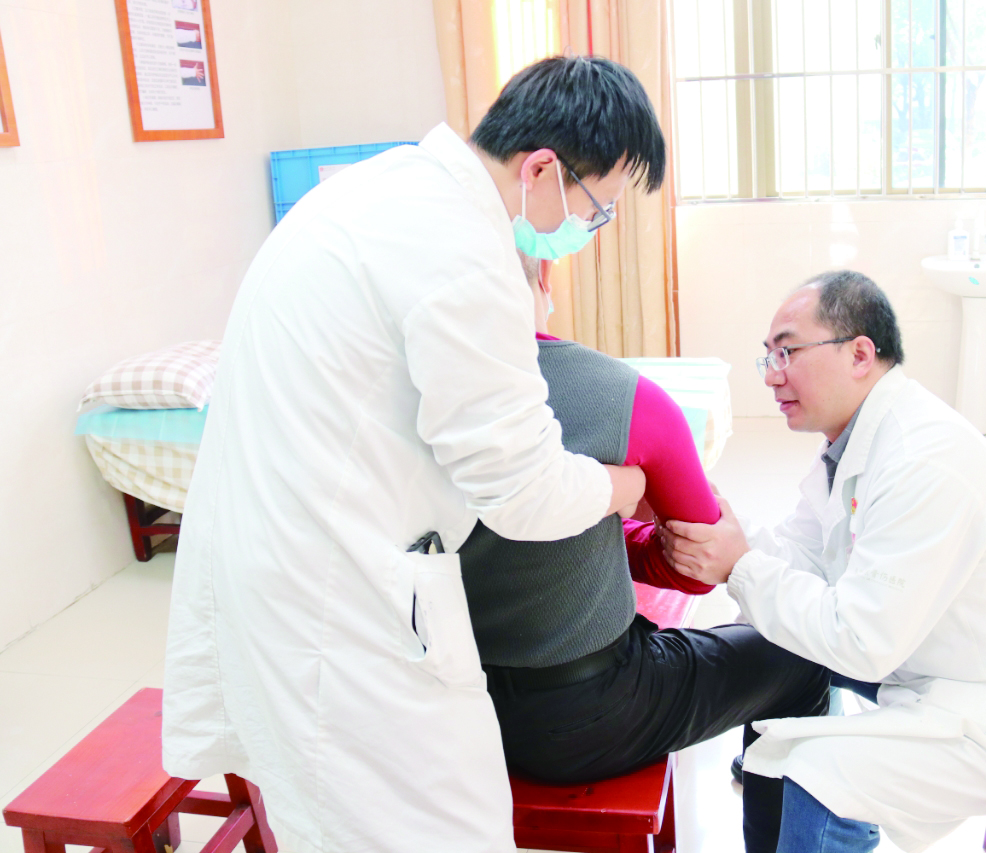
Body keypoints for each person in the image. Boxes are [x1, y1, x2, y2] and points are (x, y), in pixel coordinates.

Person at [162, 57, 666, 853]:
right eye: (595, 208)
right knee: (431, 828)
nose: (587, 229)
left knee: (341, 819)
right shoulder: (462, 251)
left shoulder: (381, 190)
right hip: (339, 605)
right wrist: (622, 486)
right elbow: (523, 490)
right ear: (541, 169)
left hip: (276, 565)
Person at [662, 270, 986, 853]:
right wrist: (723, 532)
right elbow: (803, 556)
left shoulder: (923, 459)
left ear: (860, 354)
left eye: (788, 352)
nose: (771, 375)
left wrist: (740, 566)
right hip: (930, 658)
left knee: (823, 774)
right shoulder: (854, 442)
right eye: (767, 356)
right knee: (772, 650)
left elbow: (862, 639)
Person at [459, 256, 832, 785]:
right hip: (584, 716)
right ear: (544, 276)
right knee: (803, 658)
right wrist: (627, 517)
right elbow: (695, 568)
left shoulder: (411, 395)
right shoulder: (621, 395)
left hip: (453, 700)